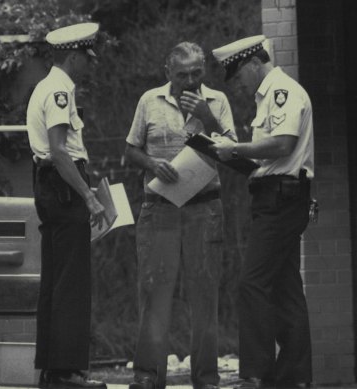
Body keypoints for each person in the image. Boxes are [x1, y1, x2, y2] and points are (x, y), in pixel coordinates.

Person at [124, 41, 236, 389]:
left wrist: (206, 115)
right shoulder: (149, 101)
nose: (190, 80)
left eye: (197, 73)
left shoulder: (216, 100)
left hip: (204, 207)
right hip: (160, 209)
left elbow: (232, 149)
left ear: (204, 71)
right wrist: (152, 163)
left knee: (204, 296)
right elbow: (130, 149)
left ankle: (206, 378)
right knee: (154, 293)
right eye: (182, 74)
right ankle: (147, 376)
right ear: (167, 72)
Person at [210, 35, 314, 388]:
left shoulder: (282, 92)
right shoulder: (269, 96)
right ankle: (294, 376)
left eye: (238, 76)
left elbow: (282, 144)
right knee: (286, 290)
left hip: (280, 201)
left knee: (251, 283)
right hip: (276, 197)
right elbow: (269, 152)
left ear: (254, 63)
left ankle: (257, 374)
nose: (238, 85)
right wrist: (233, 154)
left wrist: (235, 147)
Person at [26, 22, 107, 389]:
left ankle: (53, 368)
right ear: (72, 56)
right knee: (71, 282)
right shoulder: (59, 90)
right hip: (63, 186)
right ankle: (66, 371)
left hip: (50, 185)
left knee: (56, 280)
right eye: (87, 57)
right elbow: (60, 151)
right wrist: (88, 196)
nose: (92, 63)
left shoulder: (46, 86)